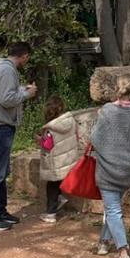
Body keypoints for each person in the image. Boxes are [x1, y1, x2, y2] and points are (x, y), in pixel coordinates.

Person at [0, 42, 37, 231]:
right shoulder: (7, 71)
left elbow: (7, 93)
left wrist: (22, 90)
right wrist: (27, 94)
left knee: (2, 172)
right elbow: (6, 99)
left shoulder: (4, 68)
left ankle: (0, 211)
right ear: (24, 56)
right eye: (27, 57)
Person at [91, 74, 130, 258]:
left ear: (116, 88)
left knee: (113, 210)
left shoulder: (107, 111)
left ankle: (123, 252)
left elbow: (95, 138)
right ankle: (104, 242)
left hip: (109, 169)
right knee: (113, 207)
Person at [38, 95, 79, 224]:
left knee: (51, 186)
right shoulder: (71, 121)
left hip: (55, 163)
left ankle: (51, 213)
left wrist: (39, 139)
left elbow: (48, 145)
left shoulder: (51, 128)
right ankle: (60, 198)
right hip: (68, 159)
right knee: (58, 183)